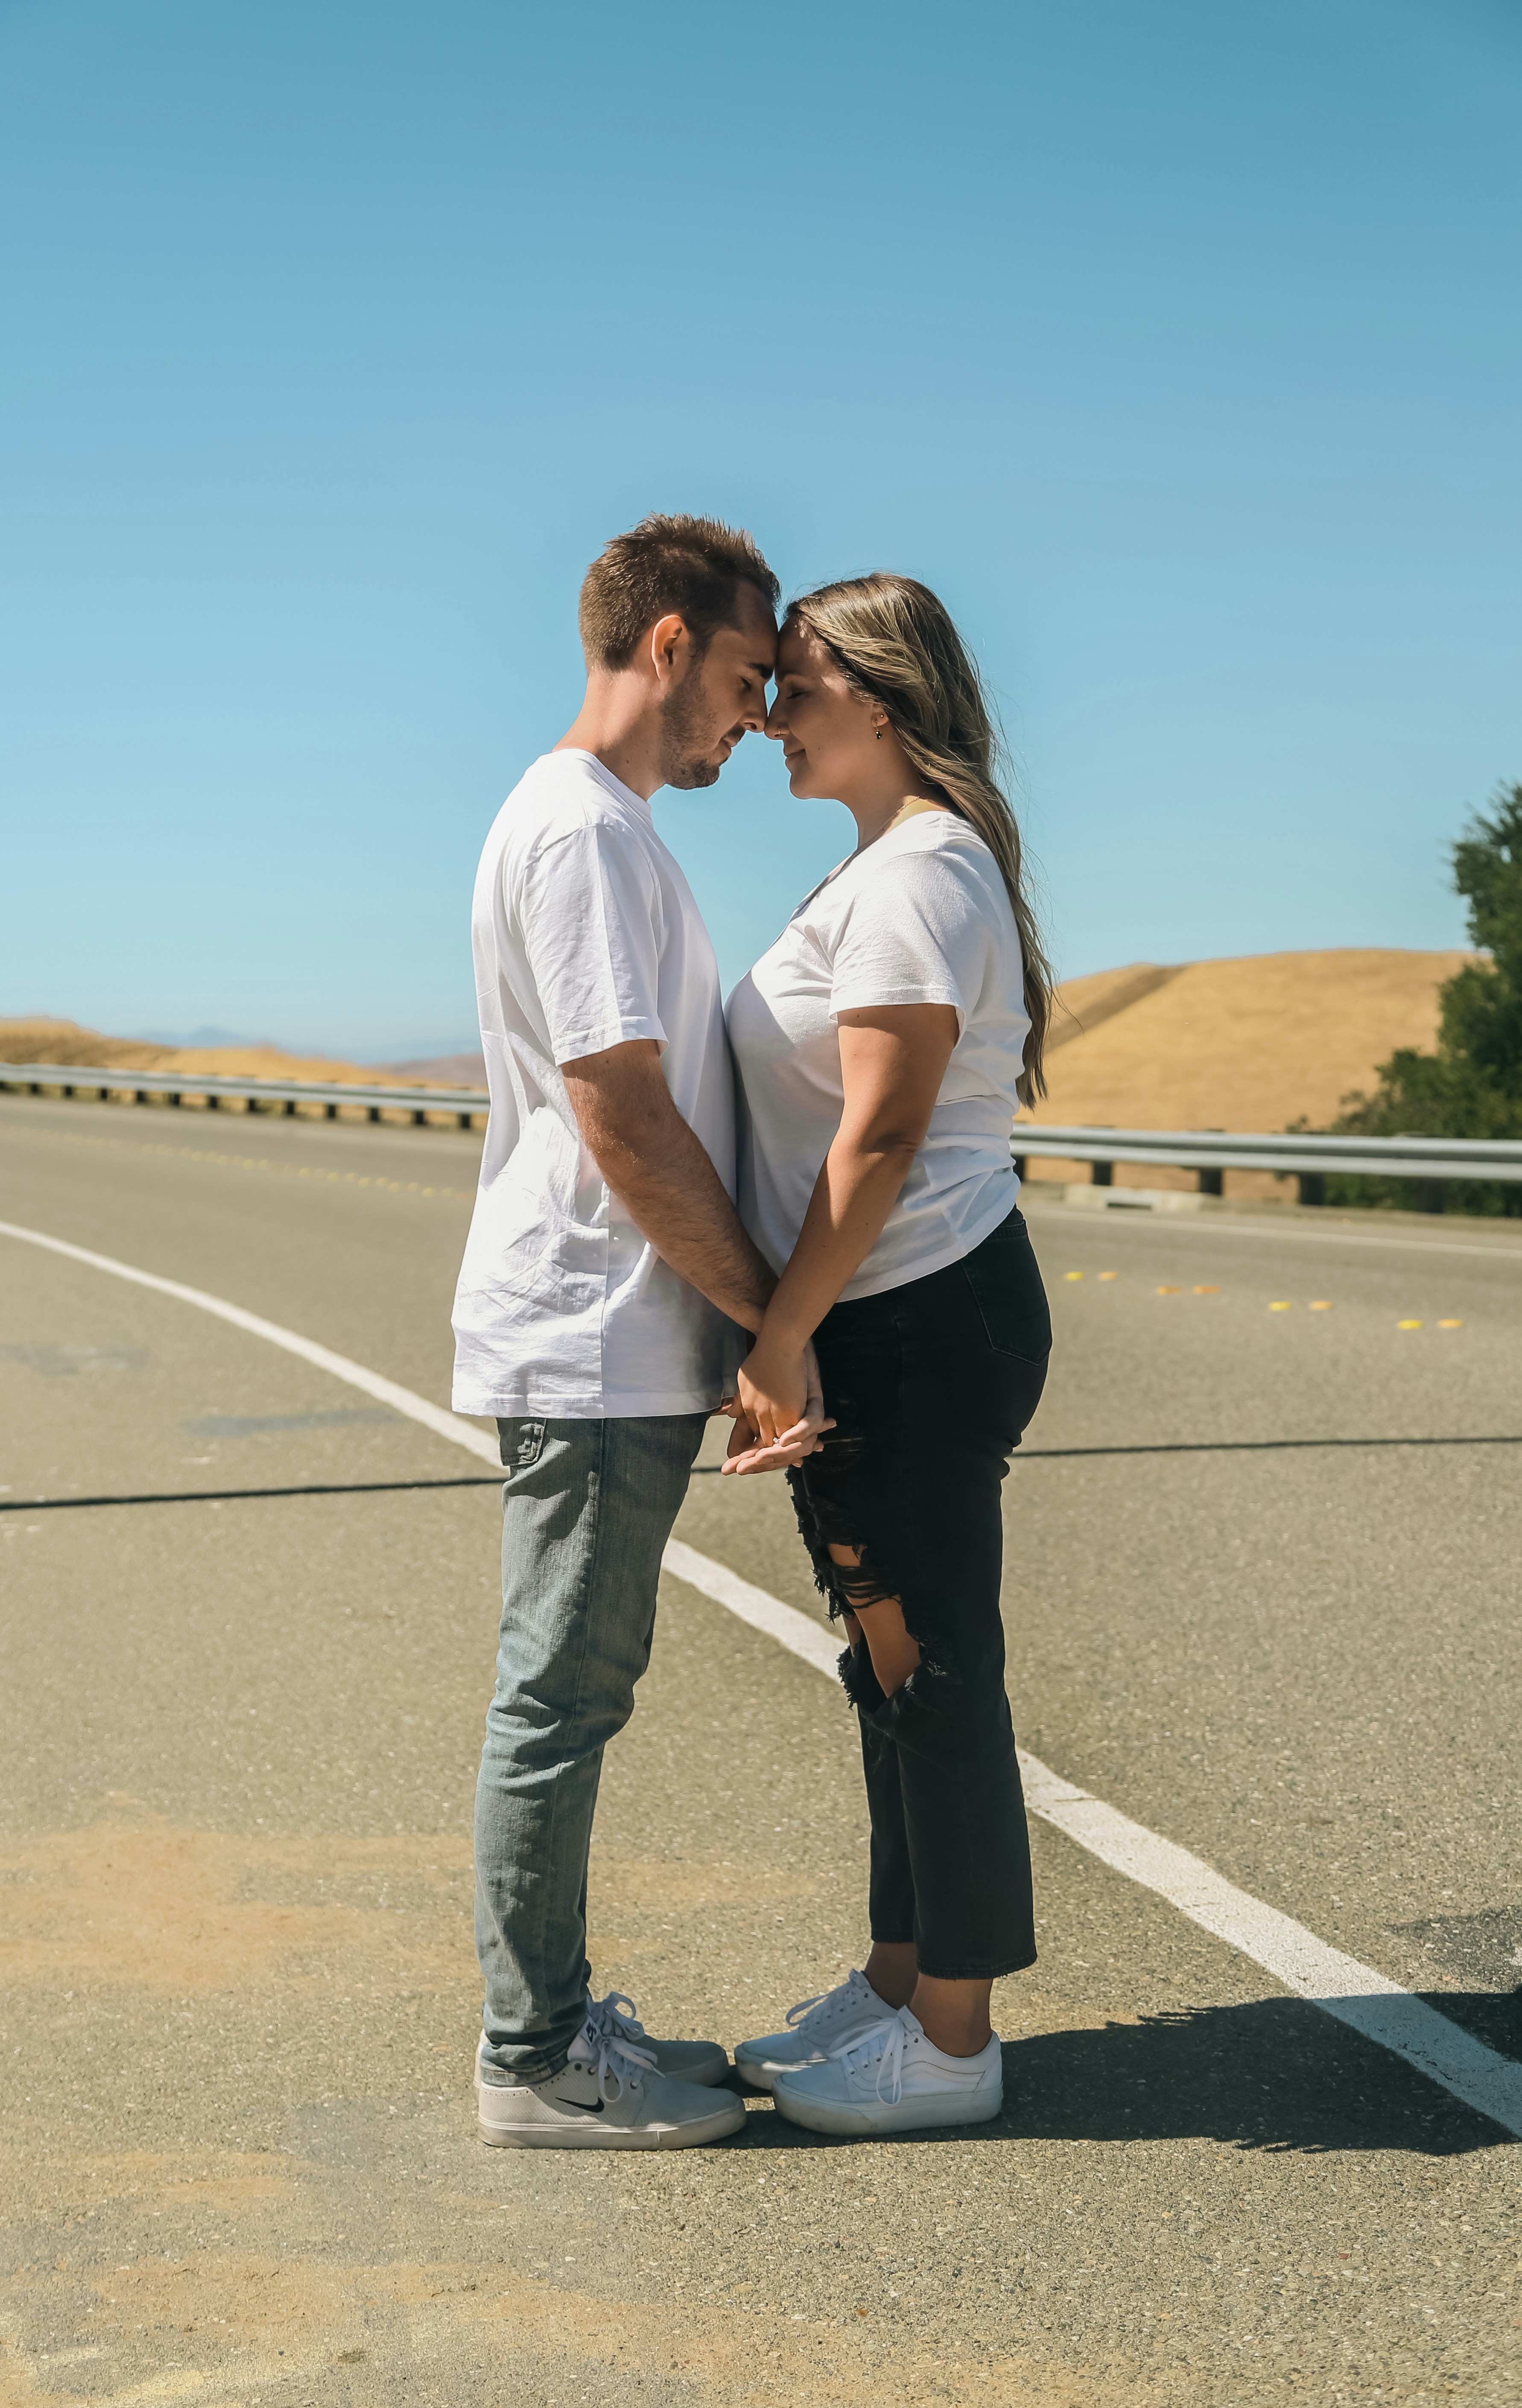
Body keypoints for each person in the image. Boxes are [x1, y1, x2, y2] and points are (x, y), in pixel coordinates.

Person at [453, 514, 826, 2150]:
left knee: (570, 1689)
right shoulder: (586, 833)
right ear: (666, 643)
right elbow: (620, 1107)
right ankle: (533, 2058)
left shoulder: (596, 822)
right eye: (748, 676)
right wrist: (773, 1316)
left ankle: (551, 2014)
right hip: (594, 1333)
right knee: (558, 1694)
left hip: (606, 1330)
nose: (756, 717)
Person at [723, 572, 1055, 2136]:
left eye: (797, 685)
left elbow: (889, 1127)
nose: (772, 713)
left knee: (933, 1668)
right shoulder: (885, 868)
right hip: (896, 1308)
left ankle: (954, 2038)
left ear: (883, 696)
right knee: (889, 1662)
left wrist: (785, 1325)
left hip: (913, 1312)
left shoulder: (921, 873)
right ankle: (896, 1980)